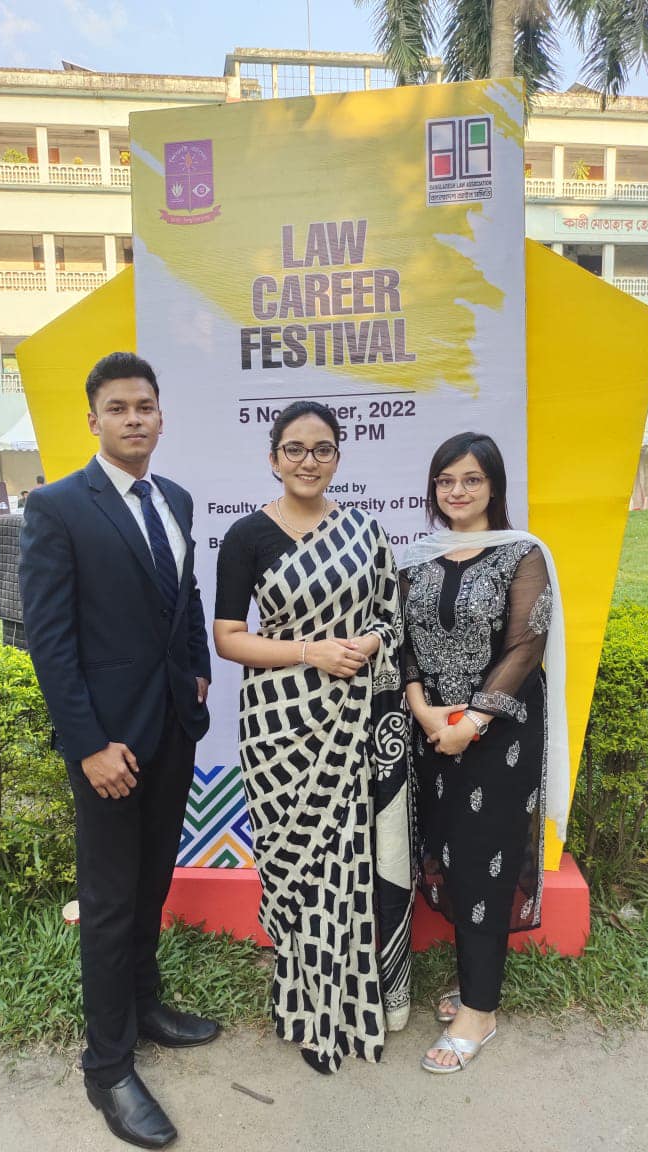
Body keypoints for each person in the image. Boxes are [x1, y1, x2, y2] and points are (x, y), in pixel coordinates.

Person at [19, 352, 217, 1150]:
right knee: (107, 904)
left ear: (161, 416)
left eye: (145, 406)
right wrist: (88, 745)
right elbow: (49, 640)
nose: (134, 418)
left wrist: (197, 669)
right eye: (118, 408)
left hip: (172, 728)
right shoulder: (57, 506)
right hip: (106, 744)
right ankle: (107, 1067)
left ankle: (144, 1006)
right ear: (93, 420)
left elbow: (185, 594)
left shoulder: (176, 499)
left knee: (152, 882)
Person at [214, 400, 413, 1075]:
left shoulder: (364, 530)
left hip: (349, 721)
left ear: (338, 458)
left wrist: (367, 642)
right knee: (291, 867)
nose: (308, 460)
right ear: (273, 458)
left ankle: (348, 1009)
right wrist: (311, 653)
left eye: (322, 449)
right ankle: (303, 1009)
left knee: (343, 865)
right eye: (294, 449)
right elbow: (228, 638)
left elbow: (390, 615)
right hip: (277, 727)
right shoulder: (247, 535)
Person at [401, 432, 568, 1075]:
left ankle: (479, 1011)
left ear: (494, 485)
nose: (457, 491)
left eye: (471, 479)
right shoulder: (419, 558)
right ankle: (476, 979)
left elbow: (526, 646)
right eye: (446, 480)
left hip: (499, 737)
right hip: (431, 735)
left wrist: (472, 721)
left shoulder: (522, 553)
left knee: (485, 862)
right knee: (449, 853)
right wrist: (423, 709)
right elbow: (403, 640)